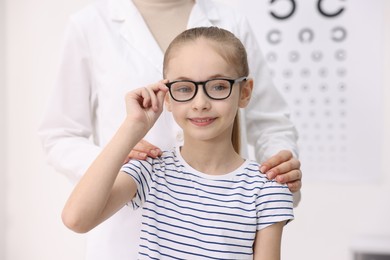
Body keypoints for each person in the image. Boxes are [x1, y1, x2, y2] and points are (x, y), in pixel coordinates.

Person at [38, 0, 301, 259]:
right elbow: (62, 137)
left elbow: (270, 120)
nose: (200, 103)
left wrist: (278, 170)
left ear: (243, 92)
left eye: (218, 86)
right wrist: (122, 149)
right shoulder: (90, 24)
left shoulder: (263, 190)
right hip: (121, 228)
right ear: (168, 98)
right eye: (184, 88)